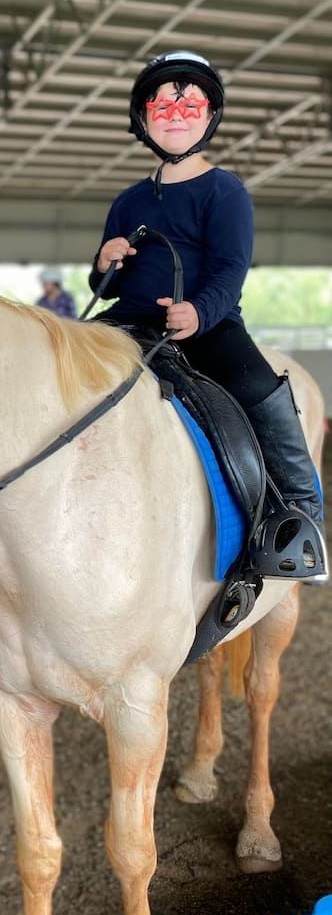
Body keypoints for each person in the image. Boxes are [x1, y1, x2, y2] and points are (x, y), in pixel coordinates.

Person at [89, 50, 325, 577]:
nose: (176, 112)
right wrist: (103, 262)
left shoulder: (225, 190)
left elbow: (230, 269)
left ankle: (300, 517)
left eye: (190, 103)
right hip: (126, 324)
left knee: (257, 387)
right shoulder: (128, 201)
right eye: (162, 103)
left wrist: (198, 312)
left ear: (209, 116)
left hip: (206, 327)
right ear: (143, 118)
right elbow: (104, 286)